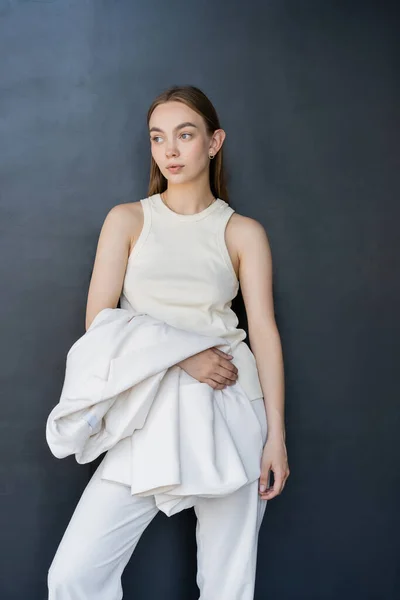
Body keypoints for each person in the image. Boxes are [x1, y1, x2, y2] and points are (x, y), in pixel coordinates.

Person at [47, 84, 289, 599]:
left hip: (230, 408)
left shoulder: (242, 231)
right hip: (148, 411)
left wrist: (276, 438)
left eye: (185, 134)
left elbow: (264, 330)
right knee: (72, 575)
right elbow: (100, 324)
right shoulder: (128, 220)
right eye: (158, 138)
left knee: (228, 584)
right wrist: (185, 357)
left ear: (214, 141)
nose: (170, 150)